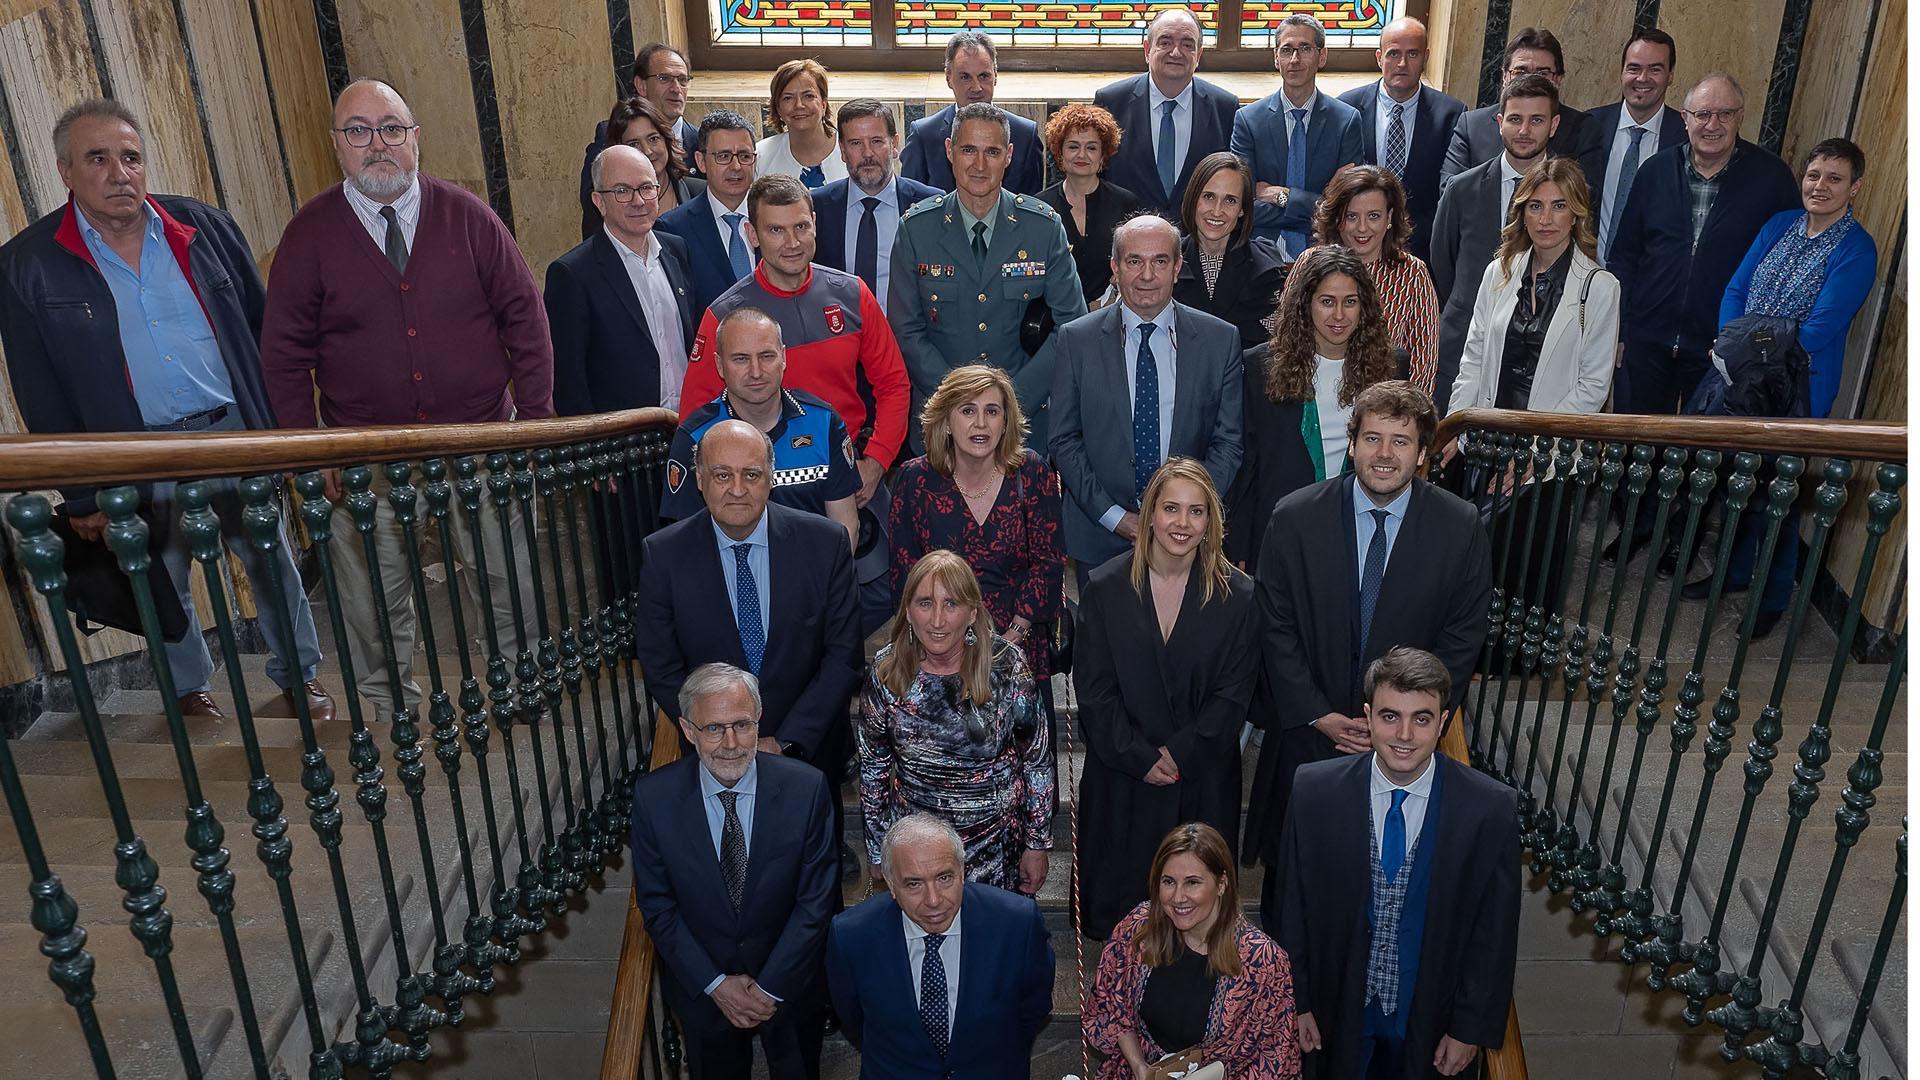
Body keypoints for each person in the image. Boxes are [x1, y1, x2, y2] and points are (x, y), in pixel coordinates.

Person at [0, 98, 331, 722]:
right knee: (158, 578)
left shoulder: (204, 228)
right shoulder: (27, 265)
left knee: (270, 559)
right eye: (97, 158)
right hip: (133, 452)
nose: (119, 172)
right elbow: (38, 388)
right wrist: (81, 494)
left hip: (230, 435)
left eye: (130, 157)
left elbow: (265, 335)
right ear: (66, 171)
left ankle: (300, 678)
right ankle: (187, 691)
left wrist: (283, 436)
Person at [261, 78, 549, 723]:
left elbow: (525, 320)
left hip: (482, 444)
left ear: (415, 138)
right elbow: (283, 353)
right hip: (362, 456)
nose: (378, 144)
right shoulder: (309, 234)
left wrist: (532, 426)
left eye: (391, 128)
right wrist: (308, 451)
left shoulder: (467, 215)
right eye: (358, 131)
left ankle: (518, 691)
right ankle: (394, 711)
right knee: (373, 596)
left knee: (506, 583)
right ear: (337, 145)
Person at [1242, 382, 1491, 932]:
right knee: (1293, 898)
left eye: (1400, 442)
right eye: (1372, 438)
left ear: (1423, 453)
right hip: (1308, 736)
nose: (1384, 454)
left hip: (1404, 748)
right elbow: (1273, 624)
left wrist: (1403, 722)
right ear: (1350, 443)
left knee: (1382, 904)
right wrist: (1316, 712)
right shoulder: (1294, 517)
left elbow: (1462, 635)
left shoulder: (1460, 528)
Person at [1275, 647, 1520, 1080]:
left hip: (1430, 1027)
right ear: (1368, 717)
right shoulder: (1315, 791)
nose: (1404, 734)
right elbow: (1292, 905)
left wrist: (1469, 1029)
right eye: (1390, 716)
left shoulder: (1488, 808)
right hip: (1337, 1018)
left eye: (1421, 718)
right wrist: (1296, 1000)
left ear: (1442, 722)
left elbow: (1495, 932)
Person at [632, 419, 863, 868]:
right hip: (713, 762)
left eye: (751, 474)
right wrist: (718, 734)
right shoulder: (664, 555)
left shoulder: (825, 543)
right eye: (722, 475)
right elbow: (660, 664)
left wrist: (788, 740)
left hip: (809, 758)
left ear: (771, 478)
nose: (737, 488)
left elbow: (843, 656)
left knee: (813, 893)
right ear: (698, 480)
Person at [1605, 72, 1798, 561]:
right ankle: (1636, 529)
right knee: (1639, 441)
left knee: (1703, 453)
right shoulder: (1654, 172)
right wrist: (1621, 327)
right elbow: (1623, 253)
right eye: (1702, 114)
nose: (1712, 124)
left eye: (1724, 114)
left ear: (1740, 117)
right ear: (1684, 118)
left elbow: (1782, 259)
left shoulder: (1771, 179)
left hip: (1719, 346)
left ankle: (1682, 542)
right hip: (1646, 334)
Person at [1689, 137, 1877, 633]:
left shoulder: (1857, 249)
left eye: (1834, 178)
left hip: (1799, 385)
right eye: (1814, 175)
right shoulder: (1778, 226)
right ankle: (1730, 572)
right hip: (1740, 377)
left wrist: (1745, 352)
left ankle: (1772, 597)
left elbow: (1819, 328)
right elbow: (1735, 288)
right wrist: (1731, 346)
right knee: (1738, 479)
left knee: (1781, 495)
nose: (1820, 186)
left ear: (1854, 188)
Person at [1075, 460, 1258, 939]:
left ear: (1210, 521)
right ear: (1149, 513)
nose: (1182, 523)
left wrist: (1178, 754)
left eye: (1196, 511)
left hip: (1200, 780)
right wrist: (1139, 756)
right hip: (1123, 783)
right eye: (1171, 508)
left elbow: (1232, 696)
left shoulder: (1239, 597)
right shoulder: (1103, 587)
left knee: (1197, 939)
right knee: (1123, 934)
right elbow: (1095, 693)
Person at [629, 662, 839, 1080]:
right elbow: (657, 906)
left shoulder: (807, 788)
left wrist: (768, 987)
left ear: (758, 722)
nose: (730, 743)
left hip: (791, 988)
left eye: (742, 724)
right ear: (688, 731)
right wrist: (715, 984)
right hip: (705, 996)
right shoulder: (654, 798)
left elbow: (816, 902)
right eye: (713, 728)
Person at [681, 175, 909, 509]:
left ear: (815, 223)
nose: (792, 242)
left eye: (801, 226)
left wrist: (876, 461)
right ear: (752, 234)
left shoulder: (853, 293)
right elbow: (695, 419)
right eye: (776, 230)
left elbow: (894, 384)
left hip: (850, 471)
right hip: (762, 487)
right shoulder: (724, 316)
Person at [1049, 215, 1242, 588]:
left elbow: (1229, 443)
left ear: (1177, 268)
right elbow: (1064, 440)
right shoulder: (1077, 340)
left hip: (1189, 538)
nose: (1147, 275)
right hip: (1099, 534)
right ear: (1115, 269)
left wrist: (1183, 514)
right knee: (1103, 646)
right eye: (1134, 261)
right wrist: (1114, 516)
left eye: (1159, 261)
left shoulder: (1220, 341)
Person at [889, 103, 1087, 445]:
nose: (979, 165)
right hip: (940, 421)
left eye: (992, 152)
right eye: (968, 150)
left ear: (1009, 156)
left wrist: (1008, 401)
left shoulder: (1043, 227)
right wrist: (961, 400)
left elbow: (1071, 327)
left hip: (1022, 422)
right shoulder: (916, 229)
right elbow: (906, 330)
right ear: (950, 151)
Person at [857, 550, 1054, 892]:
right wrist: (878, 848)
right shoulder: (885, 671)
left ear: (972, 612)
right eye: (925, 603)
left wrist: (1036, 844)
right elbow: (874, 767)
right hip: (917, 850)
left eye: (951, 604)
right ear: (907, 610)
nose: (937, 620)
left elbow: (1036, 761)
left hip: (997, 847)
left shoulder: (1006, 666)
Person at [825, 814, 1055, 1080]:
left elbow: (1034, 1006)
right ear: (890, 884)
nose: (933, 900)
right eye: (914, 884)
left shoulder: (1017, 924)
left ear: (962, 870)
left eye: (944, 878)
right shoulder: (851, 935)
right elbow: (854, 1019)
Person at [1225, 245, 1404, 571]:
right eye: (1327, 302)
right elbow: (1247, 463)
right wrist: (1238, 541)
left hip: (1361, 534)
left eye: (1350, 302)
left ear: (1364, 308)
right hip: (1279, 532)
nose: (1339, 315)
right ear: (1305, 305)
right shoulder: (1260, 367)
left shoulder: (1391, 368)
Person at [888, 364, 1062, 689]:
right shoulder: (914, 480)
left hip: (1018, 645)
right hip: (938, 647)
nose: (980, 423)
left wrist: (1013, 636)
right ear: (947, 420)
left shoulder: (1032, 472)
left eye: (992, 411)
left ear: (1005, 421)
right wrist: (939, 640)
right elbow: (905, 576)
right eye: (968, 410)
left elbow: (1049, 563)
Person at [1083, 822, 1301, 1078]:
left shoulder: (1264, 961)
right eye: (1168, 882)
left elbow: (1275, 1060)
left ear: (1221, 884)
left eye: (1192, 883)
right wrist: (1139, 1066)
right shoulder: (1139, 927)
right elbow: (1111, 1003)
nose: (1177, 897)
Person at [662, 308, 860, 544]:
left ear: (783, 357)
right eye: (741, 359)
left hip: (813, 575)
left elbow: (846, 527)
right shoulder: (695, 437)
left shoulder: (824, 423)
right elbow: (686, 543)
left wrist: (821, 579)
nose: (755, 372)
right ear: (719, 364)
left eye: (766, 356)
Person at [1429, 74, 1561, 416]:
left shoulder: (1569, 196)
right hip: (1463, 347)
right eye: (1515, 119)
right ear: (1499, 122)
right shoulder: (1462, 189)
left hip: (1535, 355)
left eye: (1537, 120)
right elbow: (1442, 263)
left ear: (1554, 125)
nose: (1524, 130)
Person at [1446, 157, 1618, 418]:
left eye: (1559, 206)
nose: (1545, 219)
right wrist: (1456, 421)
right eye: (1535, 206)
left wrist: (1538, 446)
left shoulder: (1601, 288)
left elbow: (1593, 387)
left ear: (1575, 215)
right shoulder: (1498, 273)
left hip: (1553, 448)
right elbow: (1473, 360)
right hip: (1487, 437)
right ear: (1523, 213)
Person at [548, 144, 696, 417]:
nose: (638, 201)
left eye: (646, 188)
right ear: (599, 201)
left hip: (686, 425)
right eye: (622, 191)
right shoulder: (572, 274)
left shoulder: (677, 250)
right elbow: (569, 383)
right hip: (622, 441)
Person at [1230, 12, 1366, 255]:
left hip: (1324, 250)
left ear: (1321, 56)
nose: (1295, 59)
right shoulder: (1248, 120)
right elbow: (1243, 204)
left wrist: (1283, 196)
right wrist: (1320, 203)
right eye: (1286, 50)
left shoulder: (1346, 121)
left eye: (1305, 48)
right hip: (1259, 252)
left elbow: (1345, 208)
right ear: (1276, 58)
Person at [1336, 16, 1466, 260]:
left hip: (1422, 251)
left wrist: (1407, 235)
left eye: (1413, 54)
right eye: (1393, 54)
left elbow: (1449, 194)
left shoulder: (1451, 114)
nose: (1402, 64)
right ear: (1379, 58)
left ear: (1426, 58)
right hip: (1354, 248)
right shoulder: (1346, 107)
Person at [1094, 7, 1242, 217]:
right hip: (1127, 238)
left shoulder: (1225, 108)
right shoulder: (1111, 102)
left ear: (1198, 54)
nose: (1176, 52)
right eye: (1165, 42)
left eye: (1187, 44)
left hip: (1197, 242)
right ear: (1147, 50)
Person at [1311, 164, 1441, 396]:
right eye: (1351, 216)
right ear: (1337, 218)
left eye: (1373, 216)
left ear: (1389, 217)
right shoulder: (1309, 264)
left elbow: (1423, 369)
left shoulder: (1413, 273)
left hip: (1384, 414)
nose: (1362, 228)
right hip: (1309, 401)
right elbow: (1286, 343)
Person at [810, 98, 942, 315]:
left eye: (877, 141)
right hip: (842, 339)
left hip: (907, 343)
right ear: (842, 150)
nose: (868, 153)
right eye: (855, 143)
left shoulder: (929, 205)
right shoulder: (819, 207)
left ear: (894, 144)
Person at [1440, 27, 1597, 181]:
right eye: (1520, 72)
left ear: (1558, 79)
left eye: (1543, 73)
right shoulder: (1472, 126)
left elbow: (1586, 198)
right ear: (1504, 77)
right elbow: (1450, 192)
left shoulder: (1582, 129)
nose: (1529, 80)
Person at [577, 42, 701, 238]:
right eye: (665, 78)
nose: (676, 88)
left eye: (683, 80)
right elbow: (595, 217)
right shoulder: (607, 134)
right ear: (641, 85)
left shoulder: (702, 141)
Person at [1171, 151, 1289, 353]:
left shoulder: (1265, 268)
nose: (1217, 211)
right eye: (1208, 197)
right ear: (1193, 199)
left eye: (1230, 200)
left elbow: (1276, 349)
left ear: (1242, 209)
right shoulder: (1166, 261)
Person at [901, 32, 1045, 196]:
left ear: (995, 76)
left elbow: (1033, 208)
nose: (976, 87)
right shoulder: (923, 135)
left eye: (984, 76)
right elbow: (912, 207)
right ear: (948, 78)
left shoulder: (1025, 135)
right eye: (965, 77)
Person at [1586, 27, 1685, 262]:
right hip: (1584, 274)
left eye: (1655, 69)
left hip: (1649, 282)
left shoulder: (1686, 136)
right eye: (1634, 68)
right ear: (1621, 72)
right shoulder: (1590, 126)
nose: (1642, 78)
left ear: (1670, 75)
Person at [657, 110, 761, 317]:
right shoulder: (672, 229)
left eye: (744, 156)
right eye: (723, 156)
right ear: (701, 161)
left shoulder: (776, 218)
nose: (736, 166)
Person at [1036, 102, 1143, 304]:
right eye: (1073, 146)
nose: (1082, 155)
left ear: (1103, 154)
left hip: (1114, 313)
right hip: (1054, 317)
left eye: (1091, 148)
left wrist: (1109, 298)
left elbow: (1137, 262)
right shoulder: (1039, 207)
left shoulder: (1127, 204)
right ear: (1059, 153)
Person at [604, 96, 707, 223]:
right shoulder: (609, 204)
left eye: (653, 139)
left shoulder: (703, 195)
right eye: (634, 144)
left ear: (667, 140)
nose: (647, 151)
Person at [756, 59, 845, 188]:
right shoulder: (760, 156)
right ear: (778, 108)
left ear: (823, 104)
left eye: (808, 96)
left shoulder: (852, 151)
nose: (799, 105)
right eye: (788, 98)